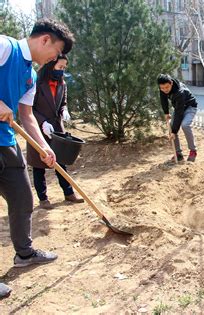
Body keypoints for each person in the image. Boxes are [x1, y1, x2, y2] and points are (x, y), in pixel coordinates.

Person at [0, 18, 74, 298]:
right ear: (44, 40)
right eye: (55, 52)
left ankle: (25, 253)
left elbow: (27, 115)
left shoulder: (30, 75)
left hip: (6, 141)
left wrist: (44, 146)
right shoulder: (5, 48)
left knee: (22, 199)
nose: (55, 59)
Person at [26, 54, 84, 209]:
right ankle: (43, 199)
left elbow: (63, 102)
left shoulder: (62, 84)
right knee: (39, 165)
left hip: (57, 129)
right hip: (38, 128)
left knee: (61, 162)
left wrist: (65, 110)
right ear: (50, 65)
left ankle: (69, 193)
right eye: (60, 67)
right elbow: (29, 108)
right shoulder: (36, 82)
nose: (62, 71)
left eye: (64, 68)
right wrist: (42, 122)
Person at [158, 74, 198, 162]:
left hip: (190, 107)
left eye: (167, 87)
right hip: (178, 107)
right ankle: (178, 154)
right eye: (162, 88)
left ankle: (193, 151)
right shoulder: (163, 87)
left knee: (185, 125)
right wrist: (166, 112)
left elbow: (179, 114)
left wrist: (174, 132)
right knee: (172, 127)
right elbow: (163, 99)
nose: (165, 90)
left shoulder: (180, 92)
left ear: (171, 83)